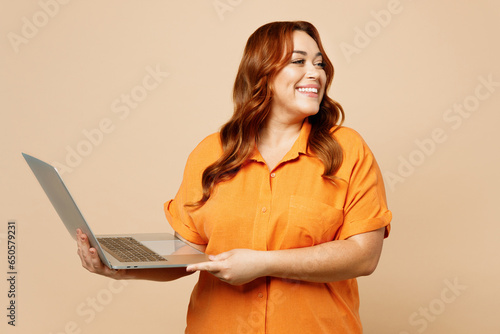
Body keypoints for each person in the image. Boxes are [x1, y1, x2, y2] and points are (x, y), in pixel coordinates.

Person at [77, 21, 392, 333]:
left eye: (319, 63)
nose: (316, 73)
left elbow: (364, 256)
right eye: (299, 61)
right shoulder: (210, 154)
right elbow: (188, 253)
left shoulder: (347, 150)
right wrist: (119, 267)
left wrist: (263, 263)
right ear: (262, 72)